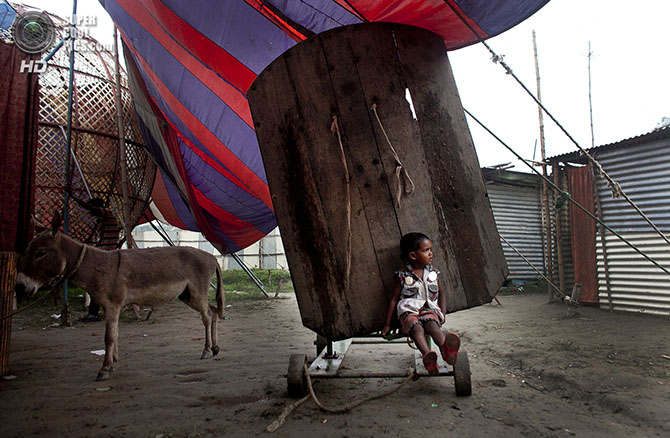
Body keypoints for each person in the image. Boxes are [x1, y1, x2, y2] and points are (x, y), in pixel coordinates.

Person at [381, 232, 460, 375]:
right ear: (413, 256)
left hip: (429, 310)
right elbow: (394, 299)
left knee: (433, 326)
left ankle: (446, 351)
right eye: (426, 250)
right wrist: (387, 324)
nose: (431, 253)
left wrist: (442, 313)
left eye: (430, 249)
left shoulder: (434, 273)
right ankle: (427, 356)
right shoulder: (402, 276)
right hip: (409, 312)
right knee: (417, 329)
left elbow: (442, 293)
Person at [71, 195, 121, 322]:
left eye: (92, 210)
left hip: (107, 256)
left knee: (97, 284)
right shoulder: (103, 219)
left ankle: (93, 314)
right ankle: (98, 312)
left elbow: (89, 207)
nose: (90, 213)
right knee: (100, 284)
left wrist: (75, 198)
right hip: (107, 254)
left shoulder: (106, 213)